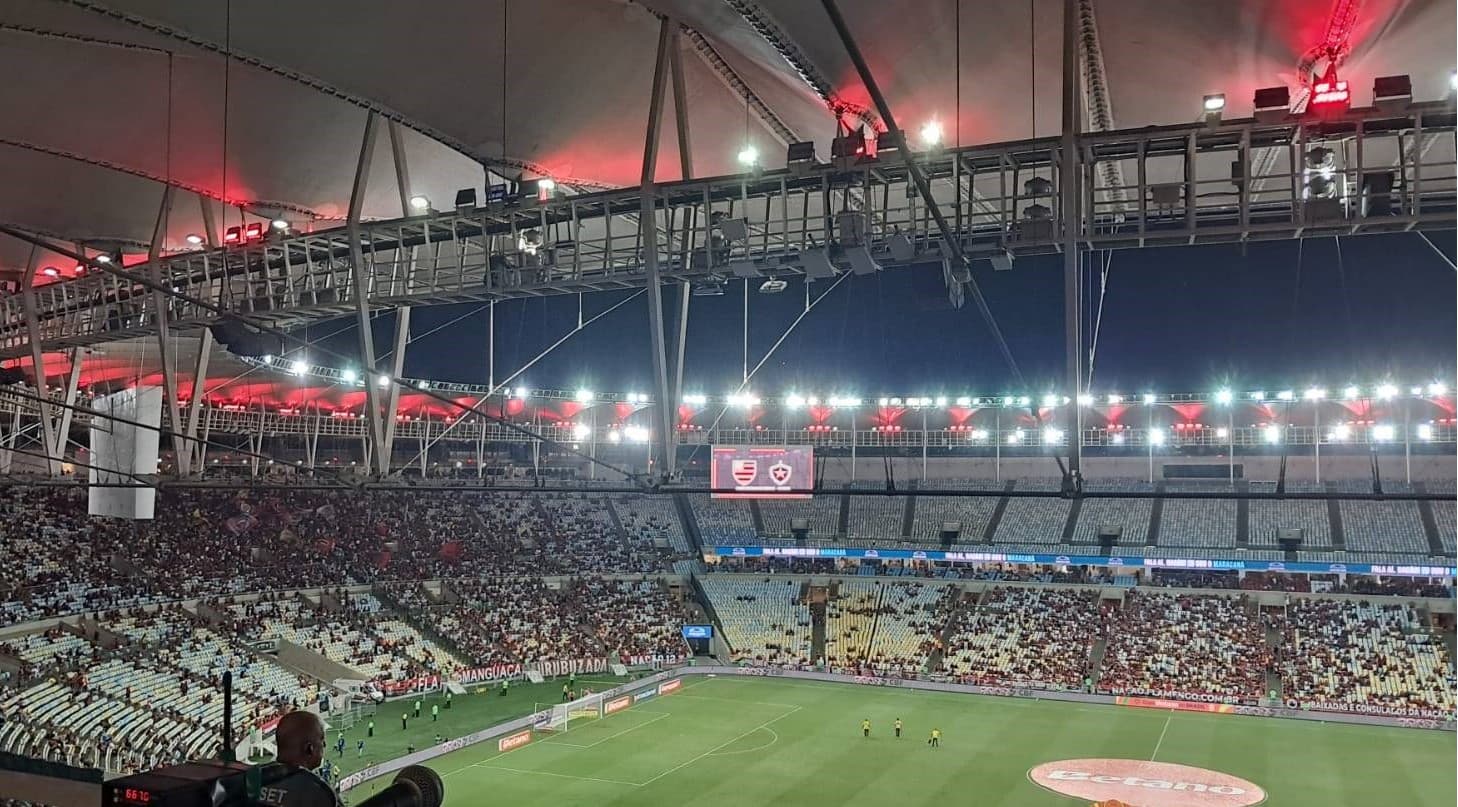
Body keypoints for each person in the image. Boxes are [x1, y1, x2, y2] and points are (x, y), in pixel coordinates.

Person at [258, 711, 340, 807]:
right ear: (309, 748)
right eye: (322, 739)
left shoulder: (252, 778)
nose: (324, 744)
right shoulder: (319, 792)